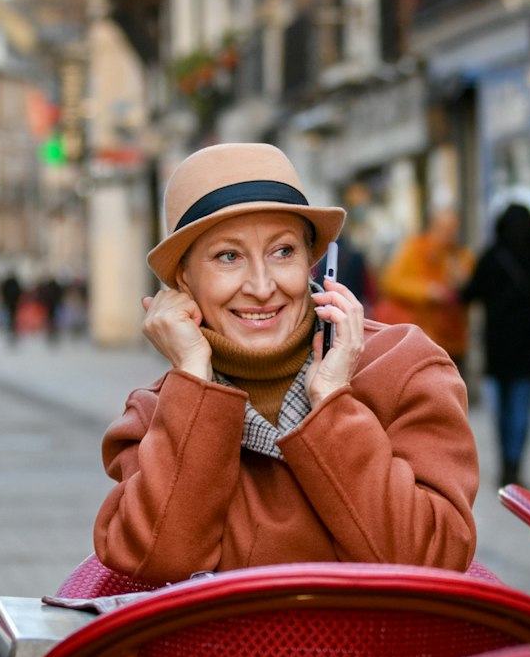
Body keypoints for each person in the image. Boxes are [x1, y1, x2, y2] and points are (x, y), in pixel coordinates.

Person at [95, 143, 478, 582]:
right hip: (222, 653)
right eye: (228, 257)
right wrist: (195, 383)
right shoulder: (155, 415)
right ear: (183, 279)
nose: (262, 286)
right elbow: (155, 562)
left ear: (313, 263)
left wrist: (333, 403)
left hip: (387, 650)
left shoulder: (404, 370)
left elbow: (434, 559)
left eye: (283, 252)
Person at [461, 203, 530, 489]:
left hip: (498, 343)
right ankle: (514, 467)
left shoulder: (492, 255)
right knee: (521, 407)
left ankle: (505, 467)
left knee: (502, 408)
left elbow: (469, 293)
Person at [378, 208, 471, 366]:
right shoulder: (415, 248)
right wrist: (427, 291)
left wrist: (460, 280)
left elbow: (468, 291)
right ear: (432, 227)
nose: (448, 234)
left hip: (453, 340)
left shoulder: (461, 255)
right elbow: (391, 281)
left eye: (452, 229)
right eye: (443, 229)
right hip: (422, 337)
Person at [37, 275, 66, 345]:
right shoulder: (55, 287)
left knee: (50, 316)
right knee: (54, 317)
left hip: (49, 304)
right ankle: (52, 327)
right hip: (53, 303)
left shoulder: (48, 287)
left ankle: (51, 327)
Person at [0, 271, 24, 346]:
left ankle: (11, 328)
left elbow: (3, 290)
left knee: (10, 316)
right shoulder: (14, 283)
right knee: (12, 316)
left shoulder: (9, 283)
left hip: (11, 302)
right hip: (13, 302)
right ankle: (11, 328)